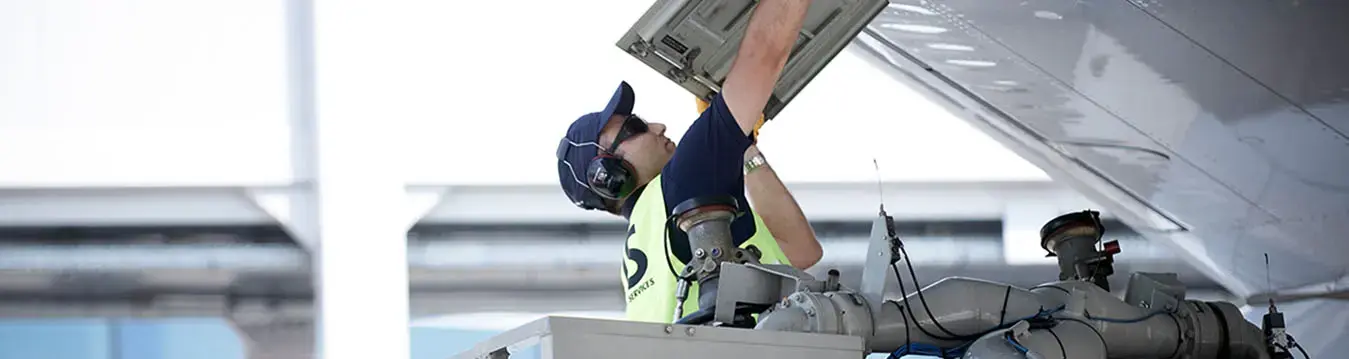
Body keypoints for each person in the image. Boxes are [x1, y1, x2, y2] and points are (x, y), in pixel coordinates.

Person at [554, 0, 821, 324]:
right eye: (635, 127)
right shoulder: (679, 185)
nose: (658, 127)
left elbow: (800, 252)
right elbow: (764, 54)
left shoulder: (645, 247)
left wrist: (743, 148)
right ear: (607, 175)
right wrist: (725, 127)